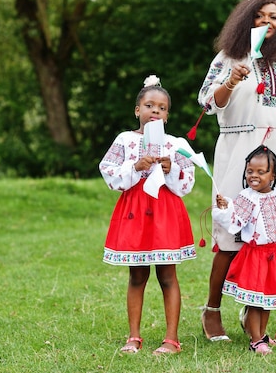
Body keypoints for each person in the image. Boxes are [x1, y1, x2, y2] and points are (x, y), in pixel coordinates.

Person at [197, 0, 276, 343]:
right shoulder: (228, 57)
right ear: (247, 20)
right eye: (261, 16)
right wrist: (231, 80)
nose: (268, 22)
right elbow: (207, 103)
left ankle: (254, 313)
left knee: (270, 238)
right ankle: (212, 311)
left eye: (274, 17)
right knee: (231, 239)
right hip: (239, 151)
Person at [99, 75, 196, 355]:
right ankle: (133, 337)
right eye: (150, 105)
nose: (155, 111)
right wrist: (135, 167)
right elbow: (108, 170)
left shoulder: (175, 144)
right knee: (137, 275)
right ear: (137, 110)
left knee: (168, 276)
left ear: (167, 115)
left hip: (165, 212)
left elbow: (187, 182)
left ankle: (171, 339)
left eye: (162, 108)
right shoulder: (125, 140)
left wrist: (171, 170)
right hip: (136, 213)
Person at [212, 145, 276, 354]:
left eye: (261, 172)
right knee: (255, 301)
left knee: (268, 300)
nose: (254, 176)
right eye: (250, 171)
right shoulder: (246, 197)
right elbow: (235, 221)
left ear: (273, 175)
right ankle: (255, 339)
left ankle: (262, 335)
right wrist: (225, 208)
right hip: (255, 257)